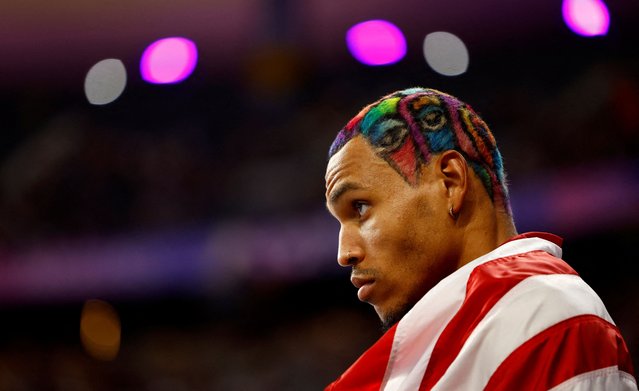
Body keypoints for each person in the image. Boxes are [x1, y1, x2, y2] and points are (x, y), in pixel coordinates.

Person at [323, 87, 636, 390]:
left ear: (451, 182)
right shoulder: (470, 338)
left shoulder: (541, 317)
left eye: (360, 208)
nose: (343, 253)